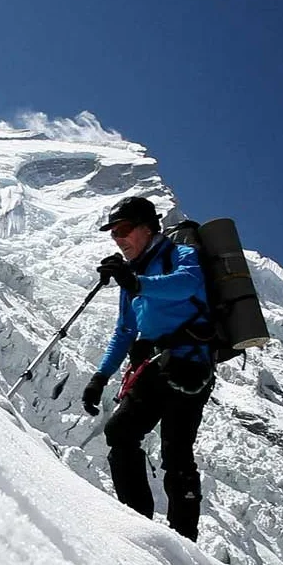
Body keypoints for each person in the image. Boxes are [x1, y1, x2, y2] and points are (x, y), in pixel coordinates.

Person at [82, 196, 215, 541]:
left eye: (124, 229)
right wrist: (100, 377)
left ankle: (184, 539)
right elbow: (125, 331)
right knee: (120, 431)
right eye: (113, 234)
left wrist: (135, 282)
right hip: (155, 367)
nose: (119, 238)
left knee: (176, 453)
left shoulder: (179, 255)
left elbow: (186, 284)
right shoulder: (133, 275)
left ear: (148, 227)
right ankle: (138, 524)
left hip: (190, 366)